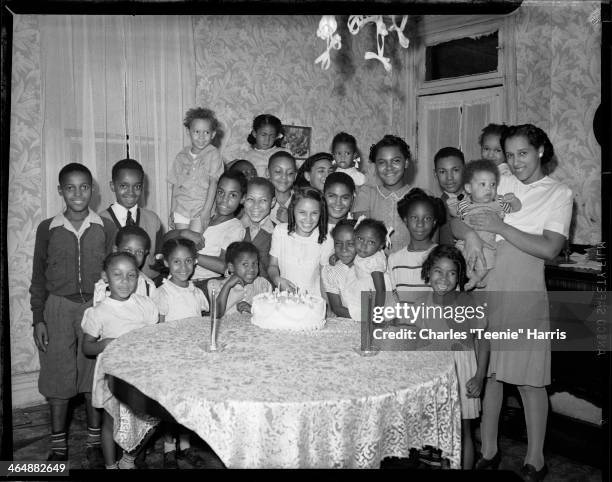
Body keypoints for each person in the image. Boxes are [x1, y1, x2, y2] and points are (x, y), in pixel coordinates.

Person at [454, 124, 572, 481]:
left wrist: (502, 228)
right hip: (486, 286)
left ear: (540, 151)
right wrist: (472, 235)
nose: (515, 161)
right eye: (509, 154)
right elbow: (455, 218)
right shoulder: (497, 179)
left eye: (523, 153)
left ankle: (535, 458)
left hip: (523, 290)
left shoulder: (558, 193)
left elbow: (551, 248)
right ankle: (489, 450)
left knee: (529, 379)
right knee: (489, 374)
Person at [29, 163, 115, 466]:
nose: (78, 193)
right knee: (57, 376)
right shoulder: (47, 228)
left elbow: (114, 270)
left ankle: (93, 440)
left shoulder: (104, 227)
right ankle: (58, 446)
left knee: (93, 377)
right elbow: (38, 276)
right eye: (70, 187)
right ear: (60, 191)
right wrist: (38, 317)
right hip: (57, 308)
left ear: (92, 190)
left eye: (84, 187)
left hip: (94, 307)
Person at [82, 252, 159, 469]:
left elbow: (154, 338)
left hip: (140, 373)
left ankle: (128, 460)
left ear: (138, 277)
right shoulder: (98, 312)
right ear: (105, 277)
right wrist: (104, 343)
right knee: (112, 421)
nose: (125, 281)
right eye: (117, 275)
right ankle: (110, 466)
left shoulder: (146, 305)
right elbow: (87, 347)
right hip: (112, 375)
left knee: (148, 420)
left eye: (131, 275)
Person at [418, 245, 489, 470]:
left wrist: (479, 377)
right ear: (428, 272)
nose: (444, 278)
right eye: (438, 271)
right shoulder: (422, 303)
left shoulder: (467, 303)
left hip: (462, 371)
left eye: (451, 273)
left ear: (459, 276)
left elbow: (483, 341)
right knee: (435, 429)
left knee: (462, 429)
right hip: (434, 374)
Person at [152, 237, 209, 468]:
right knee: (170, 407)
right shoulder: (163, 294)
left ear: (195, 262)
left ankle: (185, 446)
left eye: (188, 261)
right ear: (166, 262)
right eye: (176, 262)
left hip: (193, 359)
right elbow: (158, 328)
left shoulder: (196, 292)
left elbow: (203, 322)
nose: (183, 267)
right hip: (172, 359)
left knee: (188, 405)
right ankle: (168, 448)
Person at [454, 159, 522, 288]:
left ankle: (477, 278)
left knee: (486, 264)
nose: (489, 189)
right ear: (468, 188)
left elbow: (515, 209)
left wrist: (513, 201)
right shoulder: (464, 203)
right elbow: (458, 219)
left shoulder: (498, 202)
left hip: (487, 245)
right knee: (458, 259)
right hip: (465, 242)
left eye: (493, 184)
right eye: (483, 184)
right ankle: (469, 275)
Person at [100, 158, 164, 281]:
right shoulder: (100, 222)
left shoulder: (153, 220)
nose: (131, 192)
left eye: (137, 186)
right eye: (124, 186)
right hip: (115, 291)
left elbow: (158, 260)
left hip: (149, 290)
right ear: (112, 186)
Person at [352, 135, 413, 253]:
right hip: (374, 267)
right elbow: (360, 239)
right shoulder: (366, 195)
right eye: (382, 162)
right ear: (375, 166)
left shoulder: (421, 196)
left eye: (396, 161)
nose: (389, 167)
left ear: (406, 163)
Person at [268, 186, 333, 297]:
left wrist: (326, 306)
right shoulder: (280, 231)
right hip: (285, 299)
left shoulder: (325, 238)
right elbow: (272, 265)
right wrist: (277, 279)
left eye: (314, 213)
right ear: (293, 210)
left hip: (313, 300)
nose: (308, 219)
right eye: (302, 212)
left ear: (321, 213)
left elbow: (324, 278)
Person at [168, 107, 224, 233]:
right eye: (197, 132)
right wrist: (172, 210)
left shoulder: (213, 154)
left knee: (194, 242)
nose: (201, 137)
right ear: (188, 132)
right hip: (181, 207)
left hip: (201, 208)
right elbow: (175, 185)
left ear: (213, 134)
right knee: (182, 243)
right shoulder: (181, 156)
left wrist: (206, 211)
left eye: (206, 132)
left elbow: (213, 183)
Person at [191, 171, 247, 295]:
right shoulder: (205, 215)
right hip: (181, 278)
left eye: (232, 195)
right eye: (221, 192)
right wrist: (184, 232)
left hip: (204, 284)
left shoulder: (235, 227)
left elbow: (224, 265)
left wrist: (191, 255)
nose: (224, 199)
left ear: (242, 198)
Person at [389, 188, 445, 295]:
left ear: (434, 222)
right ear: (406, 220)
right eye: (414, 217)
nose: (420, 224)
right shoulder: (394, 260)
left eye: (427, 218)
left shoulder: (444, 256)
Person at [93, 226, 157, 305]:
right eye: (128, 250)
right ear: (115, 250)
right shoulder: (103, 286)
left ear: (145, 253)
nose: (133, 256)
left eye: (139, 252)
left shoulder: (148, 286)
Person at [209, 242, 273, 316]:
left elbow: (270, 313)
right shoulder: (218, 286)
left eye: (255, 263)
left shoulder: (263, 285)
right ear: (231, 267)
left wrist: (252, 309)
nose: (252, 269)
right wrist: (227, 286)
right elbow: (216, 315)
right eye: (245, 264)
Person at [351, 217, 393, 316]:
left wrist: (377, 315)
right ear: (354, 236)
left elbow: (381, 290)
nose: (363, 245)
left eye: (371, 242)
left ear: (380, 246)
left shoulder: (374, 262)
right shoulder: (366, 252)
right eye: (360, 239)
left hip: (377, 299)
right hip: (365, 290)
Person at [241, 177, 276, 280]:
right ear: (243, 199)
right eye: (250, 199)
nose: (256, 206)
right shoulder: (236, 228)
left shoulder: (278, 233)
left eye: (263, 200)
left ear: (273, 202)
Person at [322, 219, 357, 319]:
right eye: (338, 243)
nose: (344, 249)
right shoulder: (331, 270)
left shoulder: (372, 265)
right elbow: (336, 308)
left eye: (350, 243)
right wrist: (364, 317)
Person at [432, 147, 466, 246]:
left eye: (455, 170)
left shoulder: (477, 196)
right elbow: (433, 244)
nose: (449, 177)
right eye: (442, 172)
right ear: (435, 174)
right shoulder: (436, 206)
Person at [267, 151, 297, 225]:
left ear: (295, 176)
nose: (284, 177)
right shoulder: (261, 201)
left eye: (290, 173)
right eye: (278, 171)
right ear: (267, 173)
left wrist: (290, 222)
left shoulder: (301, 201)